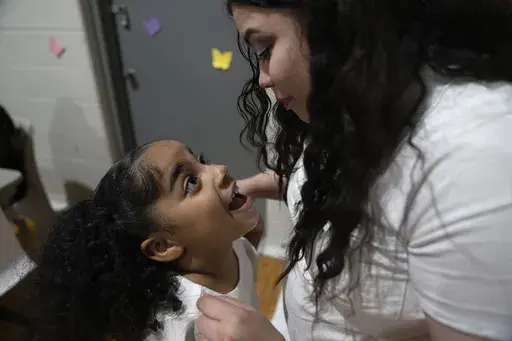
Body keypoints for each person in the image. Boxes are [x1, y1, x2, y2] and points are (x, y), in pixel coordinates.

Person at [195, 1, 512, 340]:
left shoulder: (470, 156)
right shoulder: (359, 99)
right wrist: (272, 185)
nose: (263, 78)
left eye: (264, 48)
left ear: (333, 18)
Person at [31, 140, 263, 341]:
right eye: (190, 182)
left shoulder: (232, 244)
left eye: (201, 160)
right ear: (164, 246)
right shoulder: (188, 323)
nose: (219, 169)